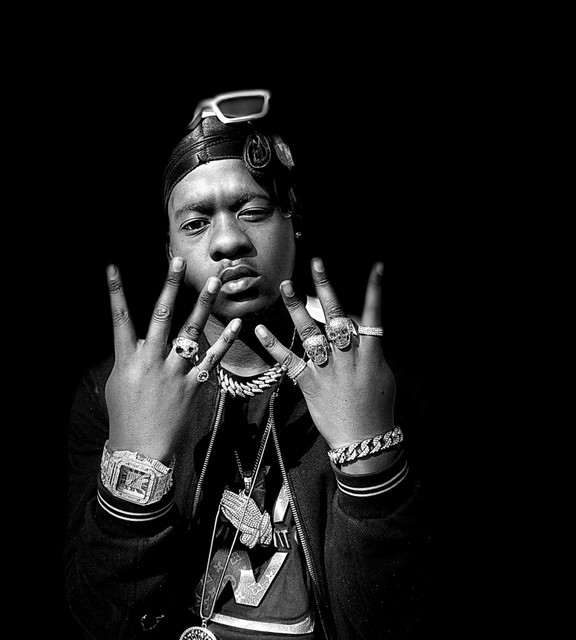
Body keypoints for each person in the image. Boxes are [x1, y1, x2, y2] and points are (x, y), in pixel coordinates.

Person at [63, 89, 433, 639]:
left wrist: (369, 462)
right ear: (169, 249)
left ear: (293, 218)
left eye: (252, 211)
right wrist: (133, 474)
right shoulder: (113, 390)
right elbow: (99, 620)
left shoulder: (377, 385)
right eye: (195, 224)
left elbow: (389, 623)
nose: (228, 241)